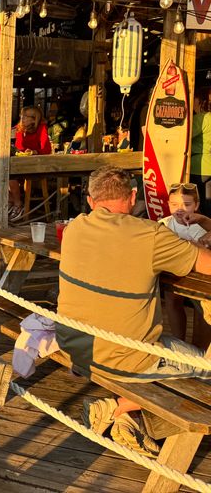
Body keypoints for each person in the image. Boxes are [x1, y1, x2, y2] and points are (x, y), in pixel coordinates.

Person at [61, 167, 211, 454]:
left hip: (76, 348)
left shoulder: (74, 228)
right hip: (126, 357)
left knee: (174, 352)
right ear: (132, 197)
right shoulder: (149, 235)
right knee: (205, 373)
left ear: (91, 202)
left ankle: (130, 419)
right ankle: (118, 409)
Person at [160, 183, 211, 348]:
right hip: (174, 273)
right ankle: (180, 343)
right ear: (168, 204)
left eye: (186, 204)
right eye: (174, 204)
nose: (180, 209)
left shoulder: (202, 227)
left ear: (196, 205)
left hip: (199, 276)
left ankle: (200, 348)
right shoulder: (163, 224)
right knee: (172, 299)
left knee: (202, 306)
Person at [9, 106, 53, 220]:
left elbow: (46, 150)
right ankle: (12, 202)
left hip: (37, 164)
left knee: (10, 176)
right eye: (21, 116)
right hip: (22, 163)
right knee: (5, 173)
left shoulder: (42, 128)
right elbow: (19, 148)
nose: (22, 119)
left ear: (34, 119)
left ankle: (18, 205)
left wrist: (35, 151)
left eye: (25, 117)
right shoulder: (20, 129)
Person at [190, 87, 211, 216]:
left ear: (199, 101)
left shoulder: (202, 118)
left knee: (199, 206)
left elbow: (184, 136)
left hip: (198, 167)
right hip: (208, 166)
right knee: (209, 205)